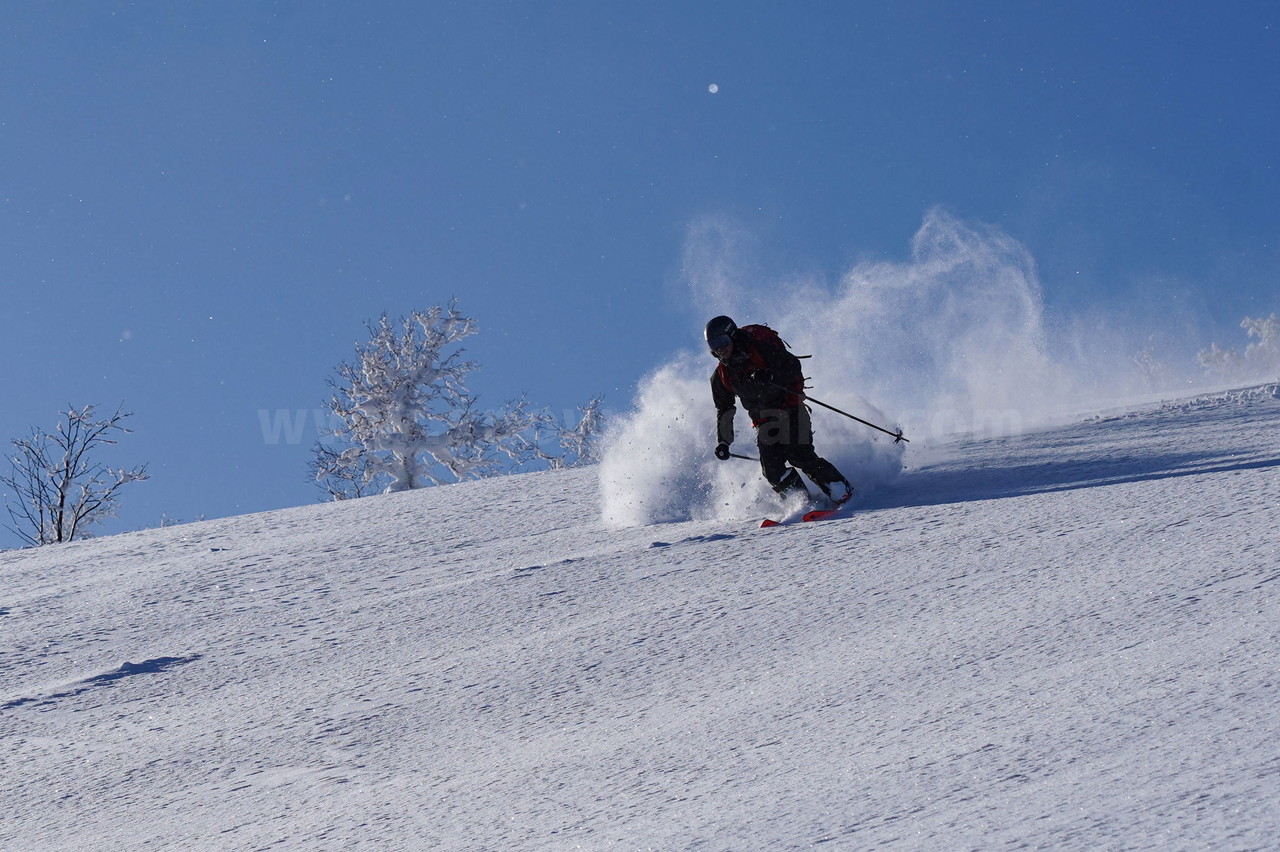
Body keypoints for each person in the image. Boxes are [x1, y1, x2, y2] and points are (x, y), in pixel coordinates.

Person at [706, 315, 853, 506]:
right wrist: (724, 442)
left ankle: (841, 490)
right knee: (772, 470)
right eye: (713, 345)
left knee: (799, 455)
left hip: (790, 407)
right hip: (764, 421)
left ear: (732, 336)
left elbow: (792, 366)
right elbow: (725, 409)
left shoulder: (758, 349)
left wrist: (770, 375)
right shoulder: (721, 376)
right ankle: (803, 503)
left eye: (722, 341)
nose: (720, 349)